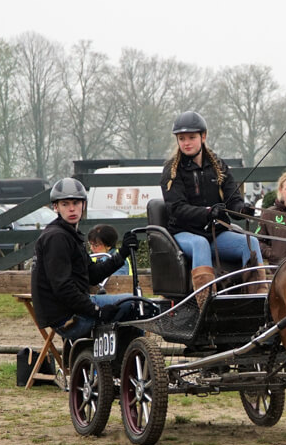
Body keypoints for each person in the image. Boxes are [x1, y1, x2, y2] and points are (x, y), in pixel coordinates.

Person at [160, 111, 265, 306]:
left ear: (203, 137)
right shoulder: (172, 171)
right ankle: (207, 304)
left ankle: (257, 300)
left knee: (249, 243)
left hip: (216, 234)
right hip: (185, 234)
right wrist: (207, 213)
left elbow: (233, 199)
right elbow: (177, 209)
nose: (186, 142)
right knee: (200, 243)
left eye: (191, 137)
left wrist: (242, 209)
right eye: (182, 138)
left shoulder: (218, 166)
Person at [31, 178, 140, 341]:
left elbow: (93, 275)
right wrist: (97, 311)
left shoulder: (70, 234)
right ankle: (132, 362)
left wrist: (122, 253)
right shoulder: (56, 237)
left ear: (83, 204)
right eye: (65, 204)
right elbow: (62, 287)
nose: (72, 209)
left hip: (74, 308)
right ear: (56, 207)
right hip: (67, 316)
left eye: (76, 203)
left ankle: (116, 362)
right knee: (136, 304)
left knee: (131, 304)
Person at [87, 224, 132, 294]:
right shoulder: (93, 258)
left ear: (108, 245)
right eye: (90, 244)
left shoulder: (121, 260)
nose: (91, 248)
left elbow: (116, 283)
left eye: (96, 245)